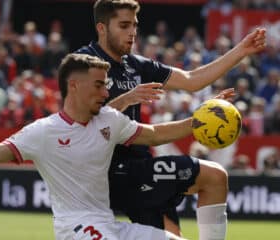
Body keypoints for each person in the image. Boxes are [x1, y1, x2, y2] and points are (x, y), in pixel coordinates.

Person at [0, 53, 235, 240]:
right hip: (77, 229)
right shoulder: (43, 132)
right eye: (100, 85)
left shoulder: (109, 121)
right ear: (74, 86)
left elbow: (156, 134)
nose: (107, 92)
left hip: (109, 223)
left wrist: (199, 120)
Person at [76, 0, 266, 237]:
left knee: (183, 220)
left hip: (138, 168)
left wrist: (241, 51)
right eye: (124, 25)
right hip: (106, 172)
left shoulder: (134, 65)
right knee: (214, 176)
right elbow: (80, 124)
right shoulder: (82, 63)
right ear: (102, 29)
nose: (132, 32)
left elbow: (191, 79)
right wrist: (126, 99)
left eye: (134, 25)